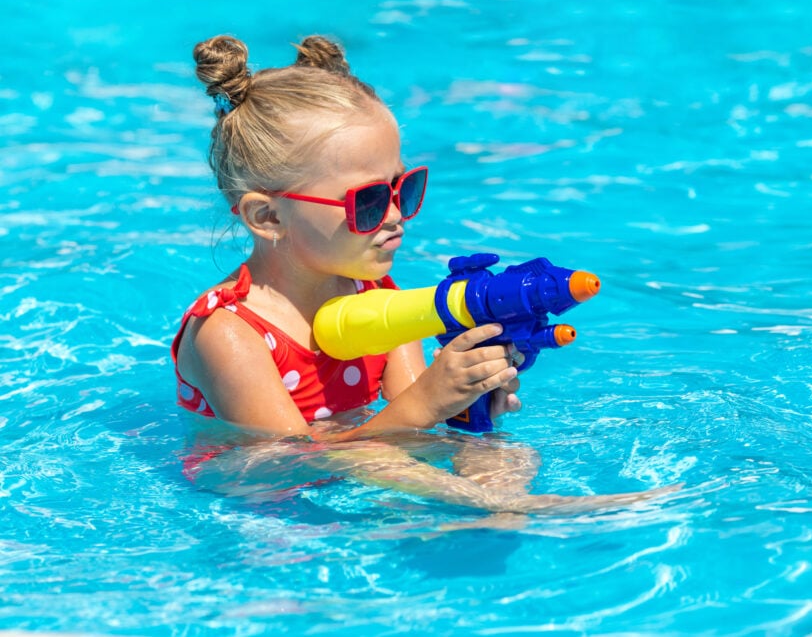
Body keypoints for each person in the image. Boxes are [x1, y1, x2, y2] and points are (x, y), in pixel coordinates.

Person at [173, 34, 675, 514]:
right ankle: (517, 510)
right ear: (269, 217)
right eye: (367, 201)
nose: (394, 215)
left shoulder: (376, 292)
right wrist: (424, 406)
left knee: (502, 453)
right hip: (258, 506)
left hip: (354, 462)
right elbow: (288, 465)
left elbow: (413, 424)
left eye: (403, 188)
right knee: (379, 482)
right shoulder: (231, 333)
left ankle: (506, 513)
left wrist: (467, 396)